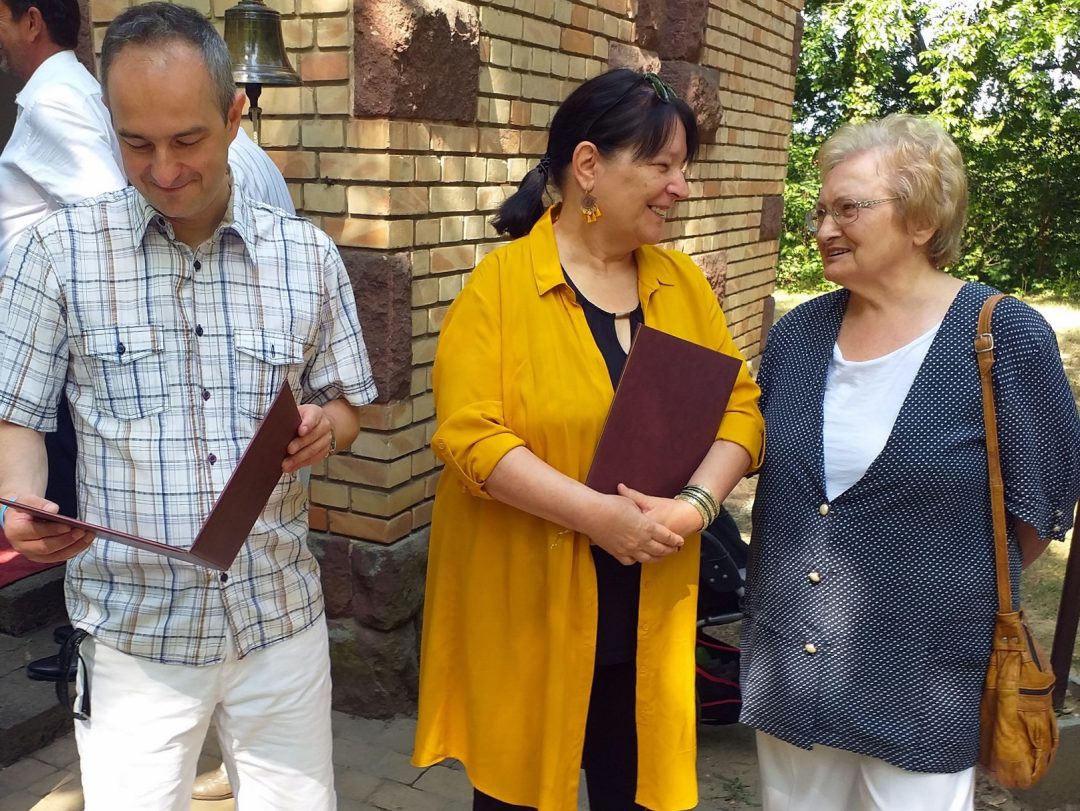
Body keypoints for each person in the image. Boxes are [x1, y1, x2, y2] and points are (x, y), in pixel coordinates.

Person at [0, 5, 375, 810]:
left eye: (187, 140)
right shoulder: (55, 255)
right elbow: (16, 416)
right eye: (136, 143)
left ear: (235, 116)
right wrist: (20, 501)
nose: (164, 169)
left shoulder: (306, 256)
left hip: (279, 620)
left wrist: (326, 429)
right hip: (134, 633)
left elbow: (348, 404)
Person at [412, 68, 765, 811]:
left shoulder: (683, 286)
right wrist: (599, 518)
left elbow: (740, 410)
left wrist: (696, 506)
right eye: (662, 166)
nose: (680, 188)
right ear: (588, 166)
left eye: (683, 169)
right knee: (515, 798)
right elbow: (471, 438)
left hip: (650, 615)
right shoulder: (500, 288)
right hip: (531, 614)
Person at [739, 113, 1080, 811]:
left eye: (848, 209)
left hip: (925, 678)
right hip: (794, 664)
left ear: (922, 220)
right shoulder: (799, 335)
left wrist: (930, 583)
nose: (825, 228)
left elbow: (1034, 513)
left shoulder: (1003, 335)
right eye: (820, 211)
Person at [0, 0, 126, 518]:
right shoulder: (69, 90)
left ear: (31, 22)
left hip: (54, 350)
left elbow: (109, 219)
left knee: (55, 520)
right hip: (59, 349)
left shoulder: (54, 101)